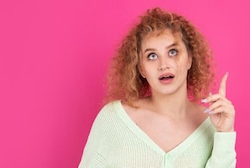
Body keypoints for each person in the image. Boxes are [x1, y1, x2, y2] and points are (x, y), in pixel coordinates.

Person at [79, 7, 236, 168]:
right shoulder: (113, 120)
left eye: (173, 52)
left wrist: (225, 134)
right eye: (152, 56)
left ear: (190, 59)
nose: (163, 65)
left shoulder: (212, 125)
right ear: (141, 68)